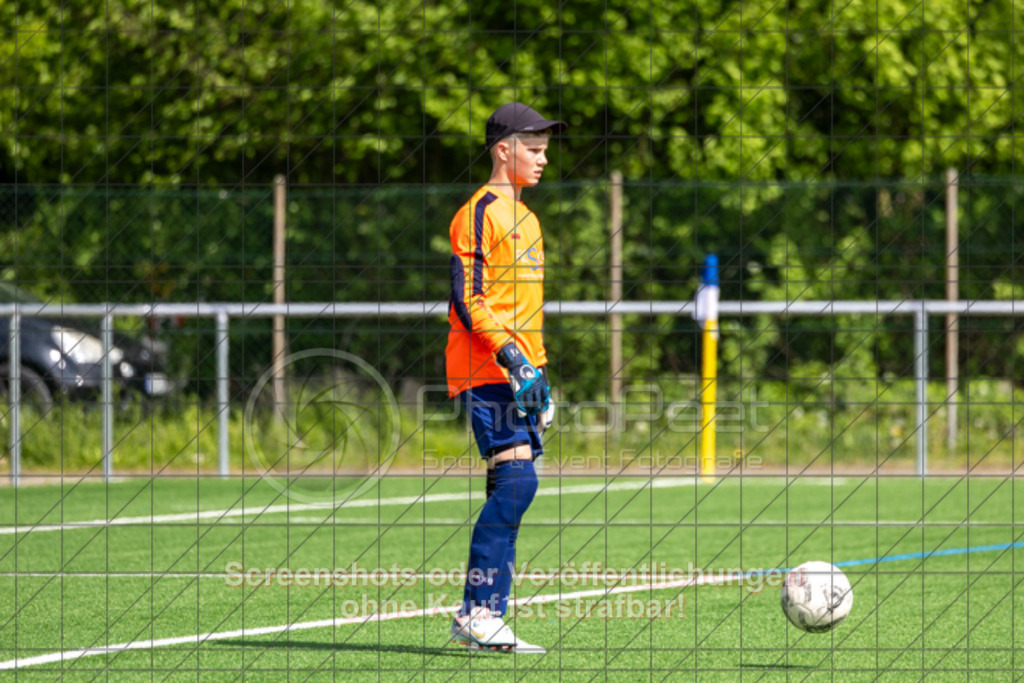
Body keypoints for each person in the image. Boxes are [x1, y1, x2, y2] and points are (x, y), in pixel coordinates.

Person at [444, 102, 566, 653]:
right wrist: (514, 360)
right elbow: (467, 299)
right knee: (518, 484)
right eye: (533, 150)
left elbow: (525, 309)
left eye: (544, 150)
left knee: (510, 488)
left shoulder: (530, 219)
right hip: (486, 369)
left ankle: (486, 617)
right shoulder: (479, 212)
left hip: (521, 374)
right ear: (503, 150)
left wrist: (539, 375)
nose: (543, 159)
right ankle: (477, 611)